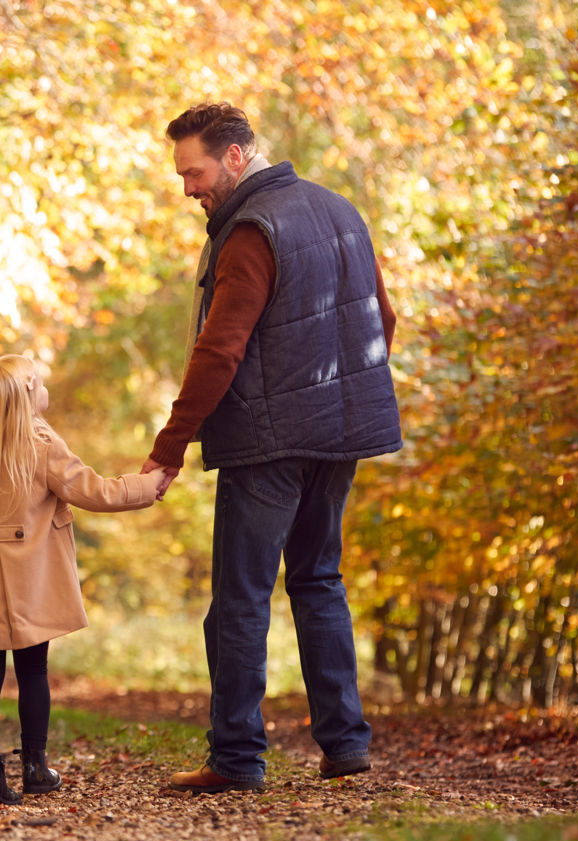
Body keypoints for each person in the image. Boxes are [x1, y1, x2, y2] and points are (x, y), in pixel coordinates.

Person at [141, 102, 401, 794]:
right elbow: (386, 319)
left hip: (269, 442)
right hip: (337, 437)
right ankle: (346, 746)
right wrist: (337, 398)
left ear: (234, 156)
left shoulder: (252, 229)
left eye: (193, 173)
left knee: (240, 598)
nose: (188, 189)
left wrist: (170, 447)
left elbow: (220, 348)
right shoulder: (340, 210)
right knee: (319, 582)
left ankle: (235, 758)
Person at [0, 355, 163, 805]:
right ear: (29, 391)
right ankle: (34, 766)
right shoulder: (41, 443)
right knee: (33, 670)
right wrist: (146, 485)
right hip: (29, 581)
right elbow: (93, 491)